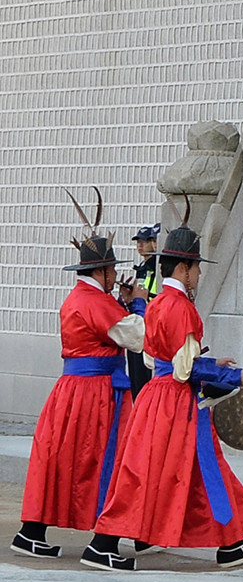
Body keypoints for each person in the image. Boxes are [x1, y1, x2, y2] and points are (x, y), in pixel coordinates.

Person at [88, 208, 243, 571]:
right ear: (184, 269)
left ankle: (231, 543)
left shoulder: (156, 304)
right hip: (176, 402)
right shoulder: (182, 308)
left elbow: (162, 358)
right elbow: (186, 368)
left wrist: (210, 364)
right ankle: (102, 544)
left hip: (156, 396)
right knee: (178, 470)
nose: (199, 274)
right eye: (197, 267)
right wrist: (237, 376)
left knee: (167, 471)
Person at [13, 195, 145, 558]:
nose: (115, 275)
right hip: (96, 392)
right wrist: (138, 303)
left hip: (72, 389)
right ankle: (106, 540)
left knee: (58, 458)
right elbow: (136, 336)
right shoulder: (95, 301)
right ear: (100, 272)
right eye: (112, 270)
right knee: (108, 458)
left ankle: (31, 531)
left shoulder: (79, 297)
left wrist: (121, 303)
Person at [117, 223, 161, 394]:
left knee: (145, 380)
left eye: (146, 241)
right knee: (136, 379)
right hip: (138, 323)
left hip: (150, 326)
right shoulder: (142, 268)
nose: (140, 245)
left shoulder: (157, 267)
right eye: (138, 242)